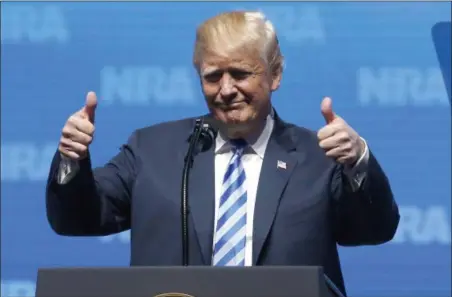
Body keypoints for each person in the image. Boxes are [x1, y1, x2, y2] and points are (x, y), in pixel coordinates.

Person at [46, 10, 400, 296]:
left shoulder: (318, 156)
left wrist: (358, 161)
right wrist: (71, 159)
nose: (226, 90)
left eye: (241, 74)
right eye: (213, 76)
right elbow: (78, 219)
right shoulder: (151, 150)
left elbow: (373, 229)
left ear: (275, 74)